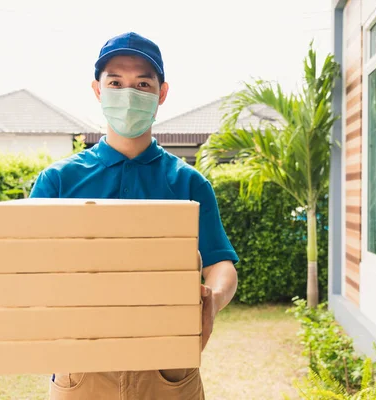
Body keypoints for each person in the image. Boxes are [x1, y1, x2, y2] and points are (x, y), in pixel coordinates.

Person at [29, 32, 239, 400]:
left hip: (168, 372)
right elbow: (27, 271)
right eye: (116, 82)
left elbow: (221, 264)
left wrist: (212, 298)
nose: (129, 94)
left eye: (142, 83)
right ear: (98, 90)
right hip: (80, 372)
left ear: (161, 93)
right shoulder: (58, 182)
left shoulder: (188, 183)